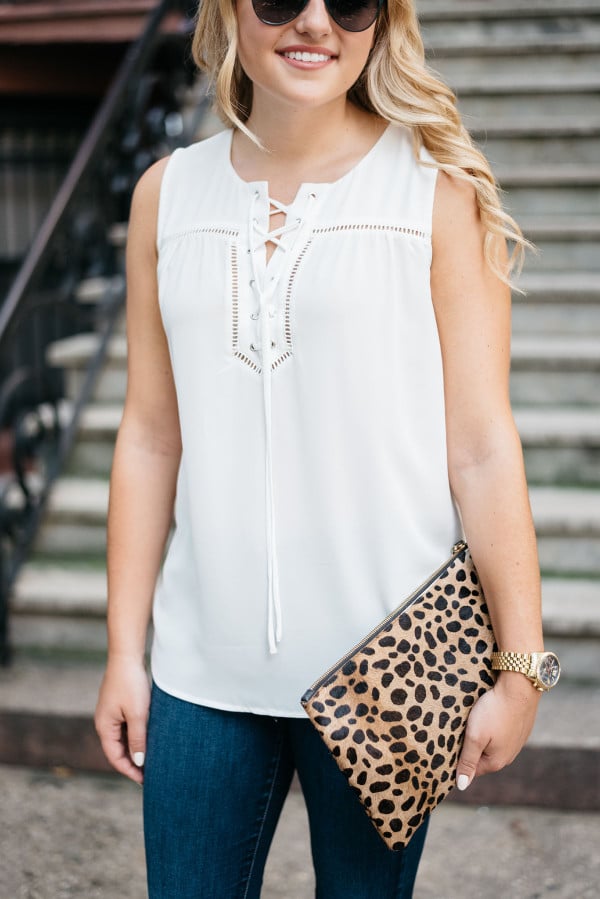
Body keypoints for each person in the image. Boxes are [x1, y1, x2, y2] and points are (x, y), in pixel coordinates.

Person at [94, 0, 551, 895]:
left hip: (387, 670)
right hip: (201, 673)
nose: (314, 23)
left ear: (382, 21)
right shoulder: (166, 195)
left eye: (348, 3)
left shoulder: (436, 189)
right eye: (279, 0)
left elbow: (483, 446)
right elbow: (150, 437)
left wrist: (522, 665)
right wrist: (122, 650)